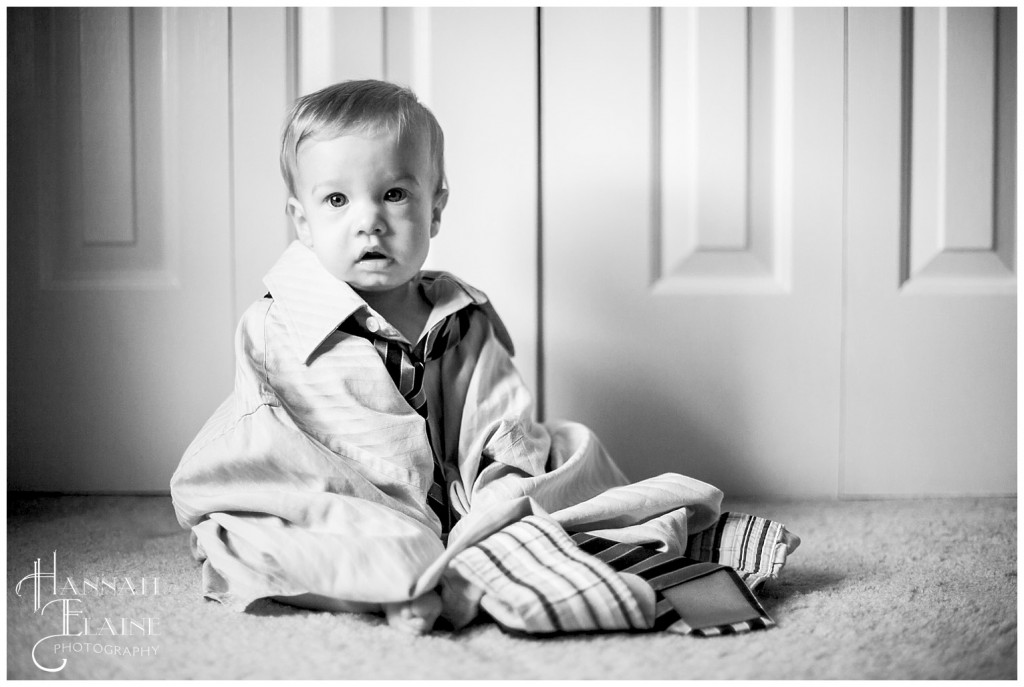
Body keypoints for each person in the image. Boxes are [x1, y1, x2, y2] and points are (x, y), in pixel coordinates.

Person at [170, 79, 797, 635]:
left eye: (393, 194)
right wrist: (389, 519)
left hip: (457, 497)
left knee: (569, 450)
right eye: (337, 201)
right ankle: (368, 591)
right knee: (237, 540)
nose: (369, 222)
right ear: (301, 220)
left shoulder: (461, 317)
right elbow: (287, 451)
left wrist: (499, 496)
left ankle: (461, 558)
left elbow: (501, 419)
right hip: (339, 500)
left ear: (434, 206)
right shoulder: (276, 325)